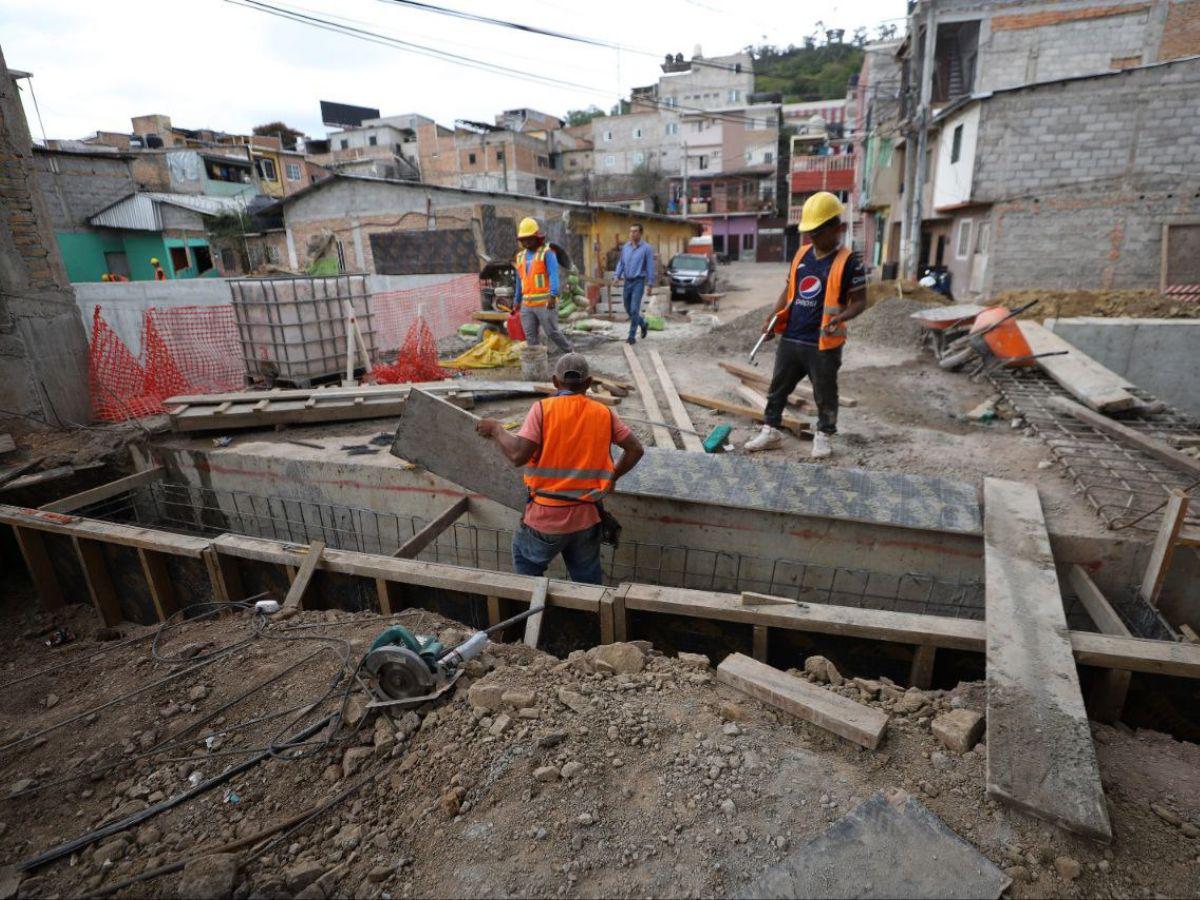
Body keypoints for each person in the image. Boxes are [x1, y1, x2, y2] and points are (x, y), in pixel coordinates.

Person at [475, 352, 644, 584]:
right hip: (587, 515)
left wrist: (496, 430)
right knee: (587, 583)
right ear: (588, 383)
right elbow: (635, 449)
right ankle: (588, 617)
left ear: (555, 382)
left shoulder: (542, 410)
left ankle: (534, 615)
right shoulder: (604, 413)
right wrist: (612, 477)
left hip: (546, 517)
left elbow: (517, 455)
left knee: (526, 565)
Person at [745, 191, 867, 459]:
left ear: (838, 228)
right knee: (778, 388)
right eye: (809, 232)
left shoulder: (850, 262)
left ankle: (824, 434)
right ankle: (771, 430)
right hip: (792, 336)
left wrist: (842, 317)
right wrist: (772, 319)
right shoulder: (801, 255)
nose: (812, 237)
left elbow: (860, 301)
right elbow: (789, 291)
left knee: (825, 391)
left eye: (818, 231)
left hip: (823, 340)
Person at [513, 217, 573, 353]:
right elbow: (519, 280)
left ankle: (571, 353)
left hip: (545, 303)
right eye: (523, 239)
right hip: (527, 305)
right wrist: (516, 301)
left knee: (552, 332)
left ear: (537, 237)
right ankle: (537, 365)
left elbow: (553, 275)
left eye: (529, 238)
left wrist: (553, 295)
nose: (526, 241)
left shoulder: (547, 253)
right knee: (531, 338)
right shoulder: (520, 256)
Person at [613, 223, 655, 345]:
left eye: (635, 231)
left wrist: (650, 284)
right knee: (627, 307)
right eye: (631, 231)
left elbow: (650, 267)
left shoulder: (646, 248)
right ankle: (642, 323)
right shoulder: (626, 247)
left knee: (634, 308)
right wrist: (616, 276)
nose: (632, 234)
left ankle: (631, 336)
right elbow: (621, 263)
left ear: (640, 233)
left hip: (638, 282)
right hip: (627, 281)